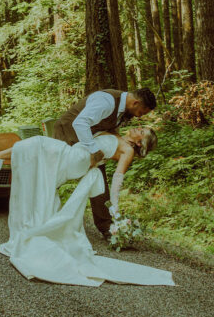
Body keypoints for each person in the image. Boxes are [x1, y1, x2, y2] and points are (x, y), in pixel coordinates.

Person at [0, 127, 172, 287]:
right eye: (141, 127)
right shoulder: (117, 134)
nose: (139, 128)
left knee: (36, 143)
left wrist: (115, 209)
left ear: (140, 143)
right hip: (74, 155)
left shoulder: (127, 151)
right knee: (36, 152)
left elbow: (117, 180)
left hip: (76, 159)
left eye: (142, 132)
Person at [50, 88, 157, 238]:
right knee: (55, 176)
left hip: (89, 146)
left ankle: (107, 227)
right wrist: (95, 151)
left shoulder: (122, 112)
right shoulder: (106, 101)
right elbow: (80, 123)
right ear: (136, 103)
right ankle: (43, 210)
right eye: (141, 112)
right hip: (68, 132)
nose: (139, 118)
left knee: (99, 182)